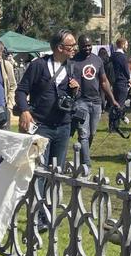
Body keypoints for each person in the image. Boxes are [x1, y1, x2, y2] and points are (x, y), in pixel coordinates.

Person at [17, 31, 82, 169]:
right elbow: (21, 91)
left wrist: (76, 90)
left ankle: (52, 192)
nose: (75, 49)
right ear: (60, 48)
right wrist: (25, 111)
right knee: (39, 170)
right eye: (72, 45)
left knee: (57, 171)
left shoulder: (72, 67)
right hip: (41, 126)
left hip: (63, 126)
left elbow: (75, 97)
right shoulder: (38, 65)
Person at [70, 36, 117, 166]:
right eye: (84, 46)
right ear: (79, 46)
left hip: (96, 102)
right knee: (84, 135)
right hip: (81, 102)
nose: (87, 48)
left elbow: (104, 81)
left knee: (92, 134)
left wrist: (112, 100)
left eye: (89, 45)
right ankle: (86, 165)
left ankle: (80, 158)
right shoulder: (72, 62)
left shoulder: (97, 60)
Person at [108, 37, 131, 123]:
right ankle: (115, 124)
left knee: (114, 103)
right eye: (126, 44)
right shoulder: (122, 57)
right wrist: (129, 78)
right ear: (123, 45)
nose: (127, 46)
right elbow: (126, 70)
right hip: (122, 82)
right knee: (120, 104)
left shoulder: (112, 56)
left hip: (114, 82)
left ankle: (112, 122)